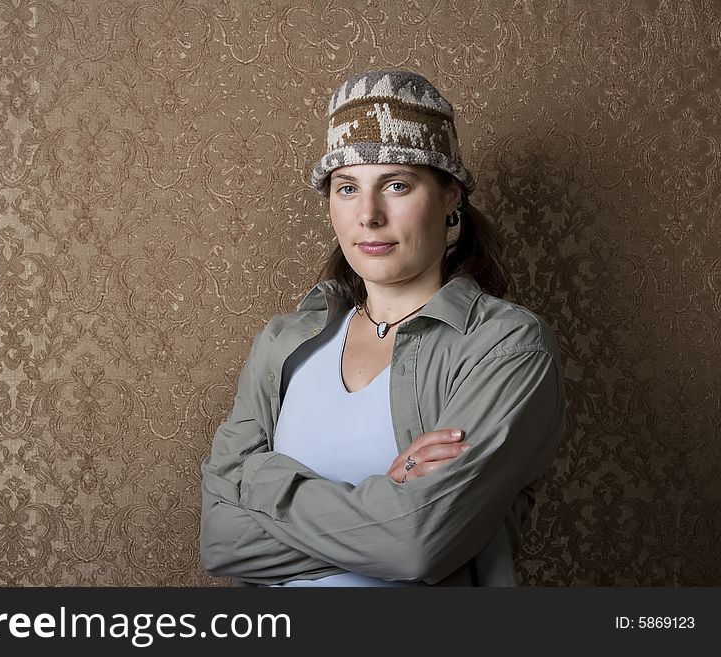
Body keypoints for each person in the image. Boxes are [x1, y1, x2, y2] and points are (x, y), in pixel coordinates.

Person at [200, 70, 566, 586]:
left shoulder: (504, 347)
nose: (368, 215)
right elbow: (220, 541)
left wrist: (259, 482)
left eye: (396, 185)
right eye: (347, 188)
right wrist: (383, 500)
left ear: (451, 196)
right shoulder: (286, 342)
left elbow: (416, 544)